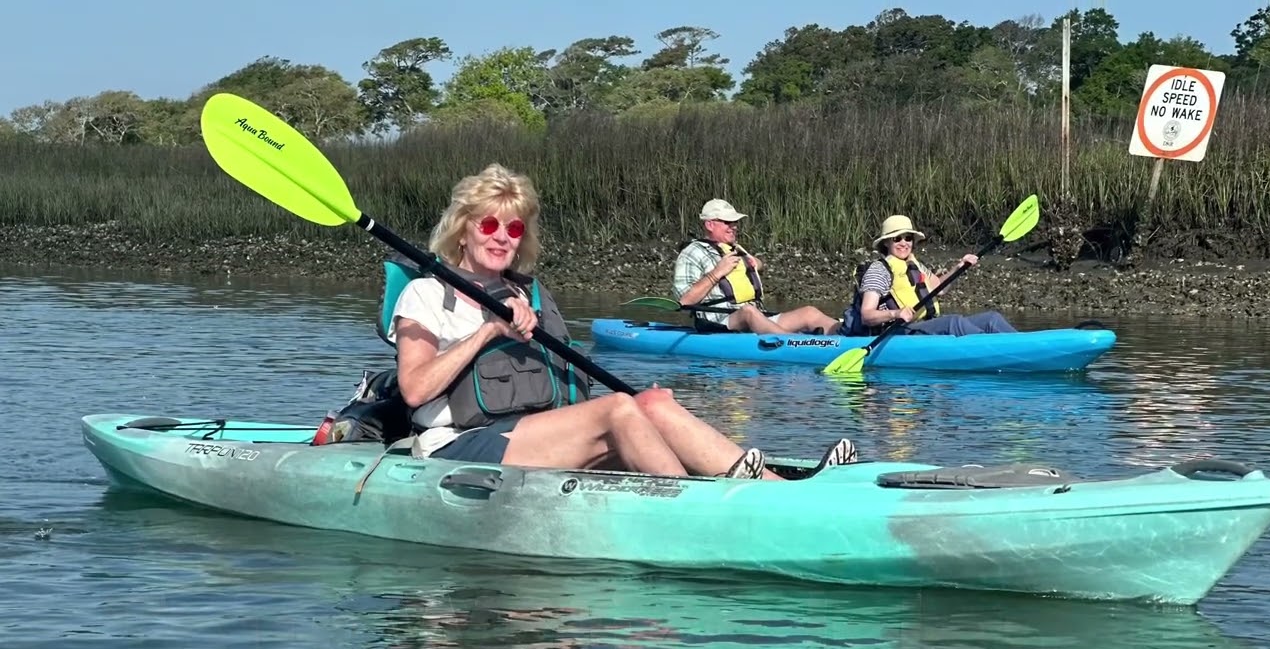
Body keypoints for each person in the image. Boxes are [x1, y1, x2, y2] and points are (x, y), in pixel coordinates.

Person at [388, 163, 857, 480]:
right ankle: (697, 509)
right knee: (617, 408)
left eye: (513, 228)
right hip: (461, 444)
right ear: (463, 230)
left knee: (651, 402)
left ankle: (777, 488)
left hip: (540, 432)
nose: (501, 238)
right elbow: (414, 390)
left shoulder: (529, 292)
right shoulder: (425, 294)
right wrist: (490, 330)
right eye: (488, 225)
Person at [672, 198, 841, 335]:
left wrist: (756, 263)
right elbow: (684, 301)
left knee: (809, 312)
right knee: (748, 311)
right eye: (727, 222)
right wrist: (717, 273)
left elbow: (754, 268)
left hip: (758, 316)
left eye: (735, 222)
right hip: (718, 322)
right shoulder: (692, 252)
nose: (734, 227)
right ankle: (796, 344)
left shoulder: (734, 248)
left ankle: (848, 335)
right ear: (710, 224)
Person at [839, 214, 1018, 337]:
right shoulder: (879, 270)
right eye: (897, 238)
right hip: (899, 332)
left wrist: (959, 267)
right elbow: (867, 315)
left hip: (925, 324)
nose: (904, 243)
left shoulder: (915, 265)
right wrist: (896, 313)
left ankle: (1023, 346)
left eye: (908, 238)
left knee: (991, 319)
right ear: (886, 242)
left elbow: (939, 288)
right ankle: (996, 351)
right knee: (953, 323)